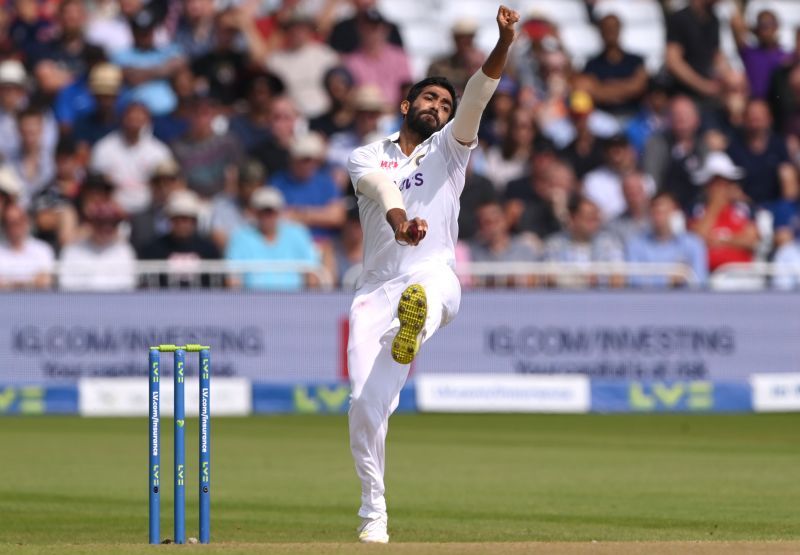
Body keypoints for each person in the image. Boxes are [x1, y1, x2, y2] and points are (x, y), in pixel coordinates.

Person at [344, 5, 520, 543]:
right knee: (365, 409)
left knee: (424, 293)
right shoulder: (364, 155)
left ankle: (411, 325)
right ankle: (374, 511)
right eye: (430, 99)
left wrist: (504, 43)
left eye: (445, 104)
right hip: (375, 289)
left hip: (434, 275)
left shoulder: (452, 148)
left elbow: (478, 94)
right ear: (406, 104)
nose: (440, 108)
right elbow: (383, 191)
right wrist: (400, 225)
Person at [225, 186, 320, 291]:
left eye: (271, 211)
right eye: (263, 211)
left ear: (279, 211)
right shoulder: (240, 237)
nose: (267, 216)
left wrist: (307, 302)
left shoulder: (298, 234)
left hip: (293, 302)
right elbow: (233, 280)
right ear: (254, 212)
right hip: (252, 303)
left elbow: (312, 274)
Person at [89, 101, 173, 214]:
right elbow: (97, 187)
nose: (135, 120)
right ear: (122, 118)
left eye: (139, 116)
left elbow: (167, 185)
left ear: (147, 120)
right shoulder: (104, 147)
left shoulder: (159, 151)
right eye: (131, 116)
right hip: (111, 210)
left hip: (150, 210)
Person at [689, 152, 759, 272]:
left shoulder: (744, 210)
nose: (719, 187)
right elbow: (695, 241)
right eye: (714, 183)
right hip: (706, 277)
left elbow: (752, 241)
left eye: (724, 182)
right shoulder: (697, 210)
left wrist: (722, 240)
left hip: (741, 275)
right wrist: (715, 207)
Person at [138, 189, 221, 287]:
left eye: (185, 219)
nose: (181, 224)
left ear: (194, 221)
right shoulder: (153, 249)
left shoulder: (208, 250)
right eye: (177, 219)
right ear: (169, 220)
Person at [626, 191, 708, 288]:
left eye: (665, 212)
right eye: (656, 212)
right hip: (647, 301)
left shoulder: (693, 244)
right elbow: (634, 282)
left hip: (684, 301)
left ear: (676, 213)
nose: (660, 218)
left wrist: (683, 280)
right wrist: (667, 281)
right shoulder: (636, 245)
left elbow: (700, 281)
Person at [271, 133, 345, 240]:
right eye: (304, 160)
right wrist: (322, 214)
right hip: (289, 243)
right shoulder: (278, 182)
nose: (309, 164)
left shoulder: (326, 182)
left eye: (312, 159)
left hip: (322, 244)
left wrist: (299, 214)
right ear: (292, 159)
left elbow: (337, 217)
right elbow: (275, 217)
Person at [543, 194, 625, 288]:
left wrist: (571, 278)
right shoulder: (554, 244)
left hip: (601, 299)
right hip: (564, 299)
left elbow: (618, 279)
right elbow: (550, 279)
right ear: (572, 218)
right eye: (589, 218)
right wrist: (586, 280)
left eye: (596, 218)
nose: (595, 222)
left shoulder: (609, 243)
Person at [578, 13, 647, 116]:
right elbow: (592, 92)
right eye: (606, 28)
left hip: (632, 115)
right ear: (600, 32)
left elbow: (638, 87)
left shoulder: (636, 61)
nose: (610, 32)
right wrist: (627, 87)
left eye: (614, 28)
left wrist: (604, 88)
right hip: (602, 116)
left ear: (620, 30)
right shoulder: (591, 65)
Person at [59, 200, 137, 291]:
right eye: (101, 223)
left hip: (116, 302)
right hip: (80, 302)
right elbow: (67, 286)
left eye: (112, 223)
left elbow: (128, 286)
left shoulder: (124, 251)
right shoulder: (73, 250)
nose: (107, 228)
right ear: (89, 223)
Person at [0, 203, 55, 290]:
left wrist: (11, 283)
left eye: (19, 221)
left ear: (26, 221)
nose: (15, 227)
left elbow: (44, 281)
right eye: (10, 223)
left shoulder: (43, 249)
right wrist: (31, 282)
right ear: (4, 225)